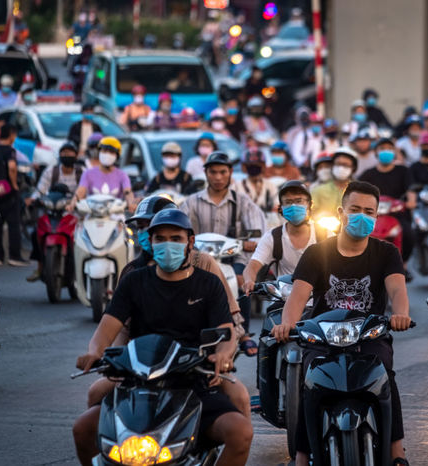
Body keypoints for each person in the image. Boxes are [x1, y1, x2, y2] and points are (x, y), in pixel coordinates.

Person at [73, 209, 253, 466]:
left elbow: (226, 333)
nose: (168, 245)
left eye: (176, 238)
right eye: (160, 239)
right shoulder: (133, 281)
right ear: (150, 241)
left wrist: (223, 355)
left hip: (195, 379)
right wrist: (94, 352)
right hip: (137, 380)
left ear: (190, 242)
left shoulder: (209, 283)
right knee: (82, 428)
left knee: (241, 432)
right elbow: (105, 330)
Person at [271, 181, 413, 466]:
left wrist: (400, 314)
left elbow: (398, 290)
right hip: (323, 339)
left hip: (370, 338)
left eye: (369, 212)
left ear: (376, 216)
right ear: (340, 212)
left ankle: (396, 452)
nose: (362, 216)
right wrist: (287, 324)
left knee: (386, 376)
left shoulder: (386, 253)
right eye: (355, 209)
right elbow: (298, 297)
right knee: (309, 382)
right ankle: (301, 456)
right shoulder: (316, 253)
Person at [180, 152, 266, 356]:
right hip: (199, 257)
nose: (218, 177)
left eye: (222, 172)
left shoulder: (243, 202)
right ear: (205, 173)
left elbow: (258, 231)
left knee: (239, 279)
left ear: (230, 174)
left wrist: (249, 244)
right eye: (213, 172)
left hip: (233, 256)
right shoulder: (191, 202)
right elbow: (178, 228)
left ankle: (242, 333)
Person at [242, 180, 323, 291]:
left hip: (319, 301)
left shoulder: (325, 235)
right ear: (281, 208)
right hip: (283, 300)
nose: (294, 206)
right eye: (288, 202)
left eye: (299, 201)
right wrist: (249, 280)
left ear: (310, 204)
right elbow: (253, 265)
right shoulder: (272, 237)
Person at [26, 142, 83, 282]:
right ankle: (40, 267)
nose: (67, 156)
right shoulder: (51, 171)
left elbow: (87, 190)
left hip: (76, 215)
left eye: (70, 153)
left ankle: (83, 270)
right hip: (52, 212)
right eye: (64, 153)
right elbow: (40, 190)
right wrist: (33, 200)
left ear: (76, 155)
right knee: (36, 234)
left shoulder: (82, 173)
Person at [359, 137, 417, 275]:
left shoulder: (403, 171)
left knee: (409, 234)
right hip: (373, 214)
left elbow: (411, 189)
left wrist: (411, 201)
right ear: (376, 152)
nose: (386, 152)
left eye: (389, 149)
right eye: (382, 149)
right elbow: (359, 192)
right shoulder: (368, 174)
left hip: (397, 213)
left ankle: (404, 264)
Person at [0, 124, 27, 266]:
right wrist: (15, 185)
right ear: (10, 135)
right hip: (9, 193)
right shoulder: (10, 151)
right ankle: (14, 256)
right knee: (14, 224)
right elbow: (12, 167)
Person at [71, 137, 135, 206]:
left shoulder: (122, 175)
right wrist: (73, 203)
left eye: (111, 152)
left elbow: (127, 192)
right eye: (104, 151)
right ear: (99, 152)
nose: (107, 154)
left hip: (116, 214)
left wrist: (131, 203)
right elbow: (80, 191)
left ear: (117, 156)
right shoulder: (88, 174)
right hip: (93, 213)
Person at [311, 147, 358, 217]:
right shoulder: (318, 191)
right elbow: (310, 212)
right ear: (333, 166)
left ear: (353, 168)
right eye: (338, 164)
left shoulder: (358, 192)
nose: (341, 168)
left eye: (345, 165)